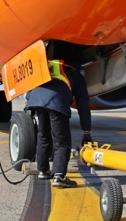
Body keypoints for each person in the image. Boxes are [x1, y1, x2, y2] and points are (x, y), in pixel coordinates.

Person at [25, 58, 92, 188]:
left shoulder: (47, 66)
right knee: (62, 142)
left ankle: (43, 170)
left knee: (43, 136)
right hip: (56, 102)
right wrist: (86, 131)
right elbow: (83, 105)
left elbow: (29, 91)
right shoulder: (76, 74)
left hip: (36, 100)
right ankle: (59, 176)